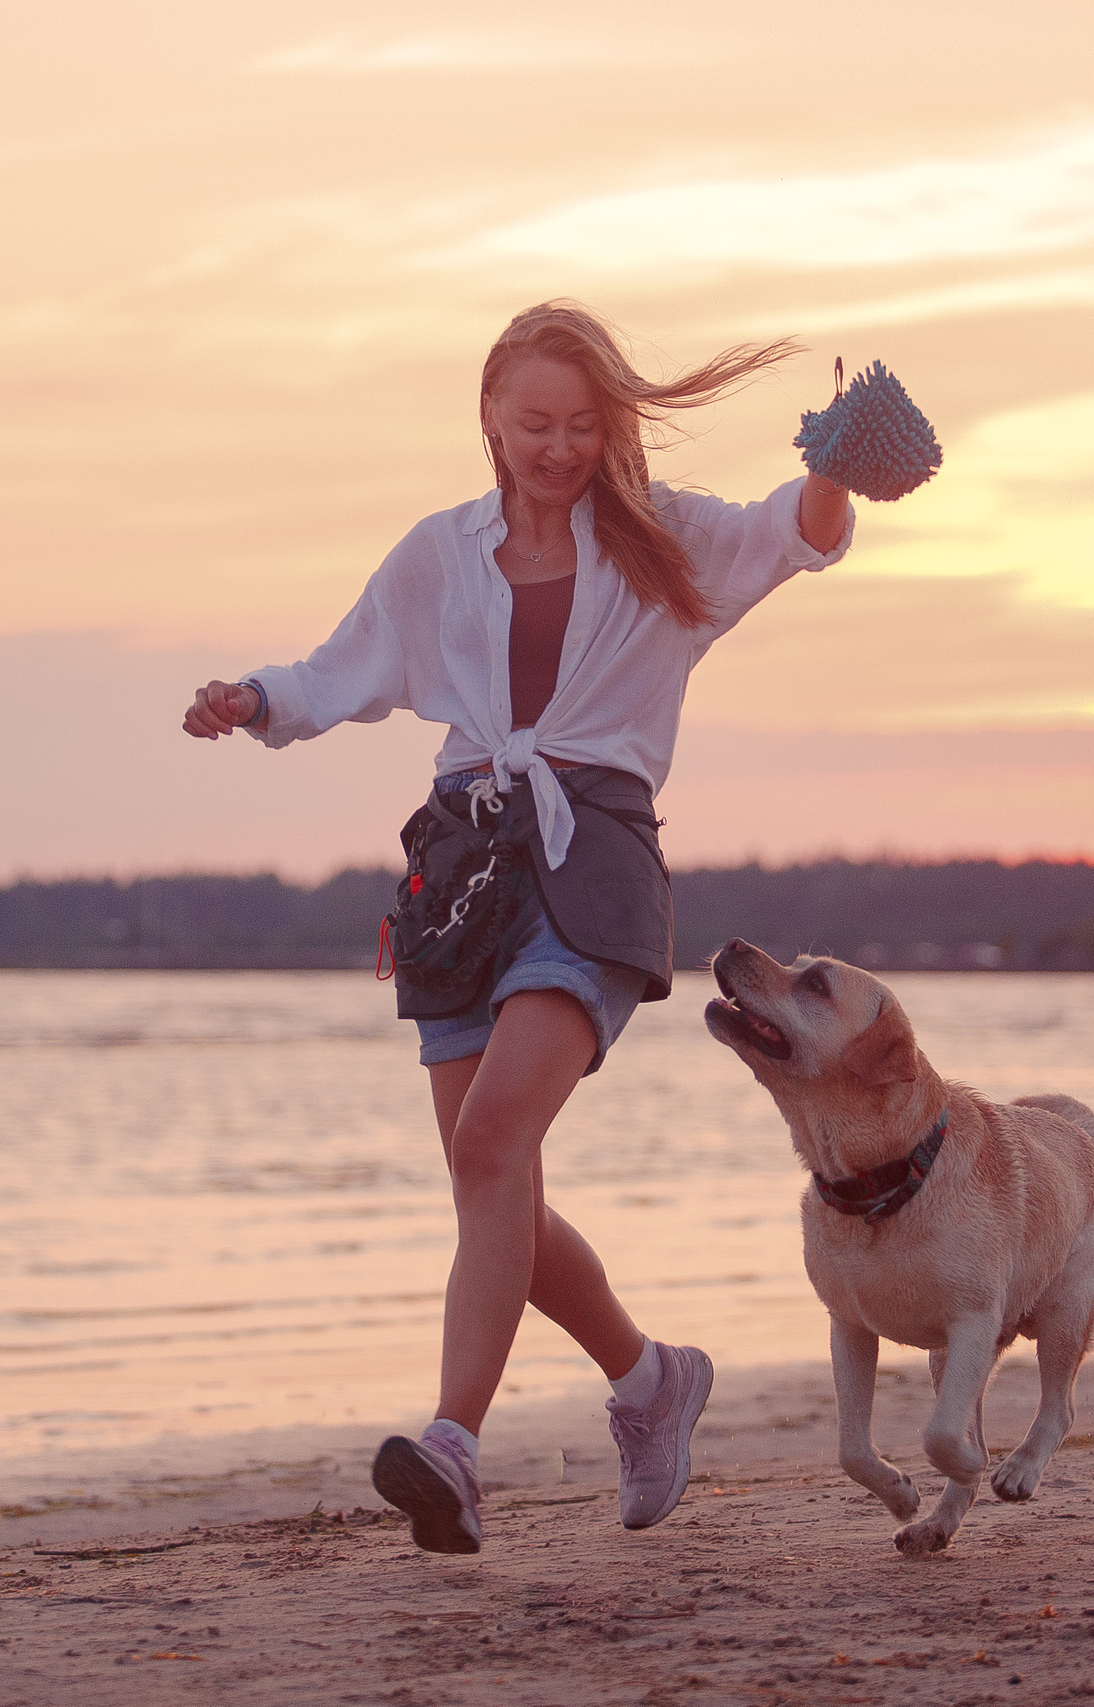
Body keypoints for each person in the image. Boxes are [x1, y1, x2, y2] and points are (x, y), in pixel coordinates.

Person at [181, 300, 853, 1554]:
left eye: (583, 425)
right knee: (491, 1181)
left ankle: (453, 1443)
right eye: (536, 423)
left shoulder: (662, 538)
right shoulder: (436, 555)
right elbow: (337, 672)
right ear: (489, 415)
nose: (558, 447)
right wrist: (250, 698)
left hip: (592, 861)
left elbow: (792, 535)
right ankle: (651, 1381)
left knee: (492, 1143)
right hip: (461, 871)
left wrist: (835, 467)